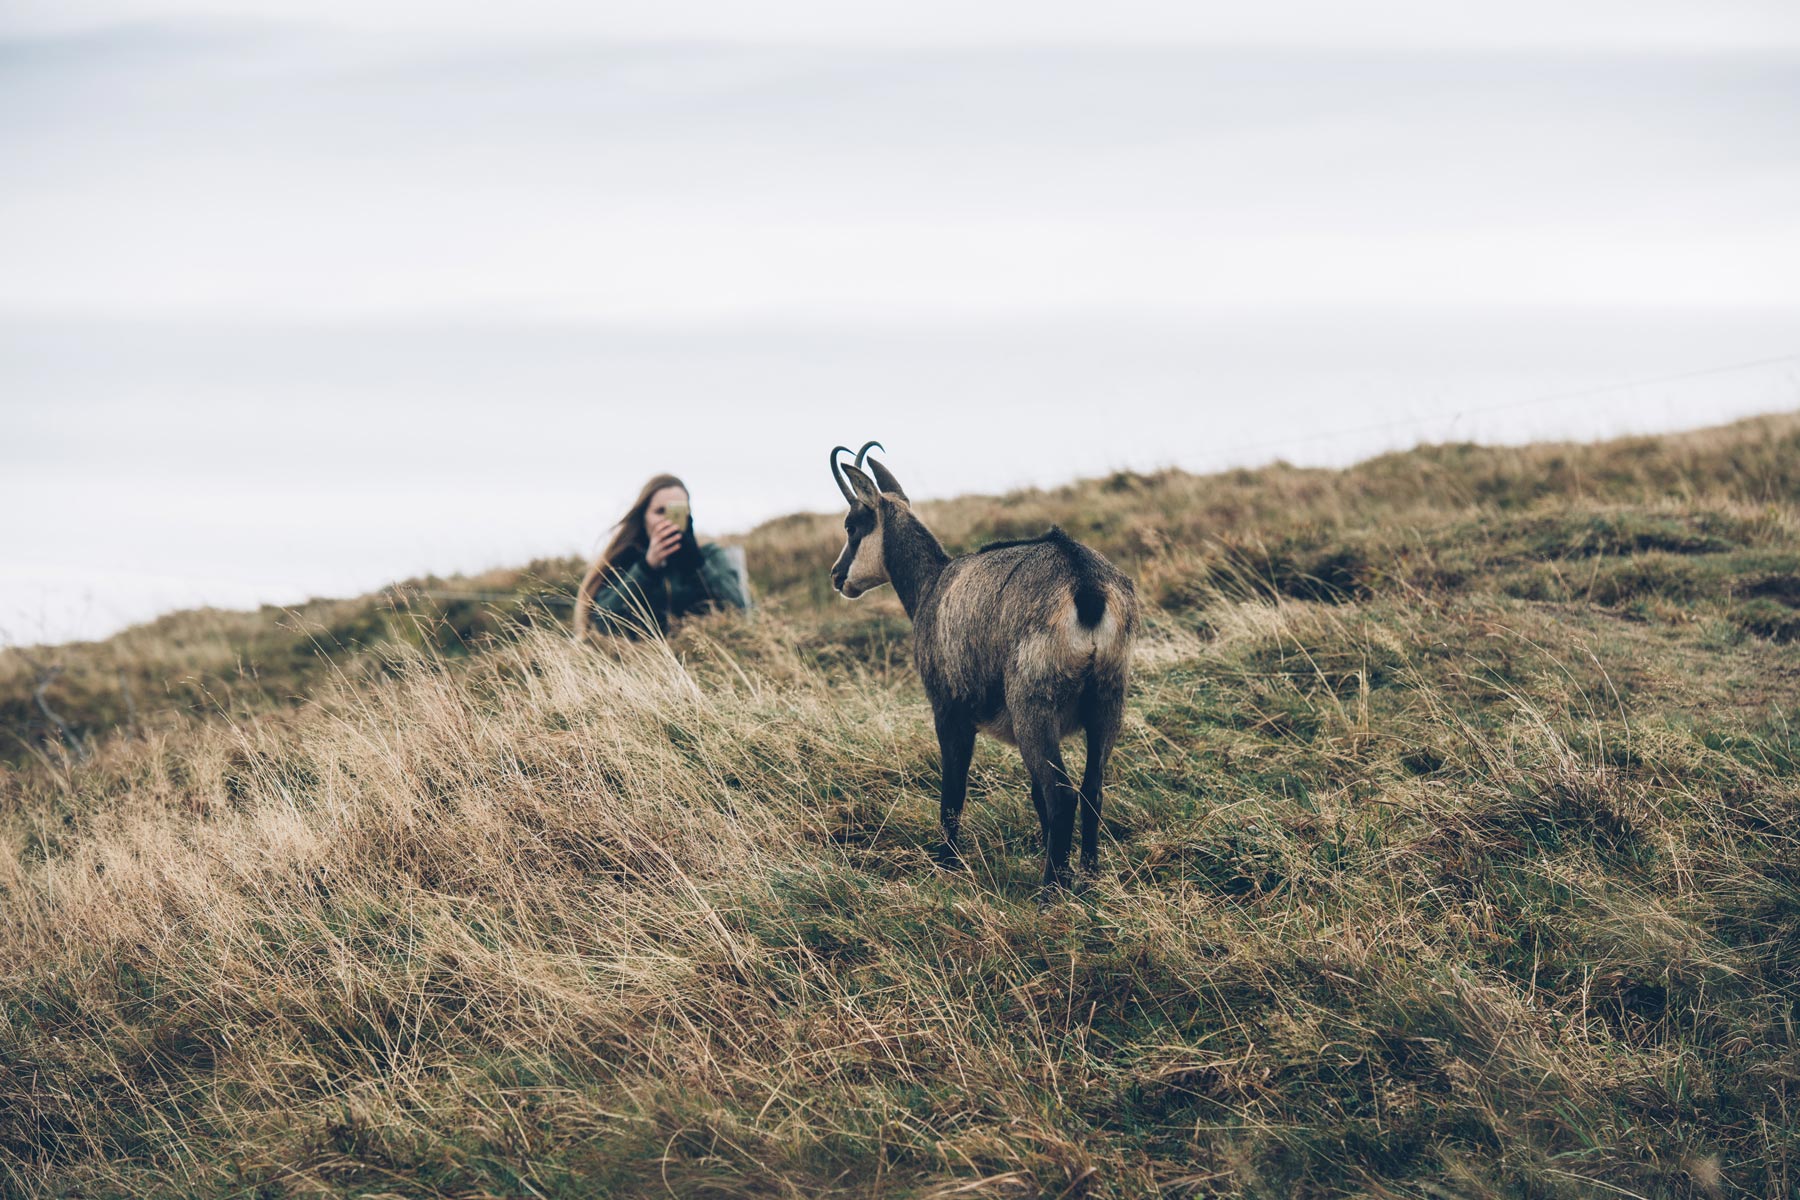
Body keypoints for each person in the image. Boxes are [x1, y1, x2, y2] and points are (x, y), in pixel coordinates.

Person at [573, 474, 749, 638]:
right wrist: (646, 569)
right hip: (639, 662)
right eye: (660, 511)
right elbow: (600, 624)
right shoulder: (625, 558)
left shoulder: (710, 556)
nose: (668, 520)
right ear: (643, 516)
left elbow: (740, 613)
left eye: (677, 512)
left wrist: (697, 565)